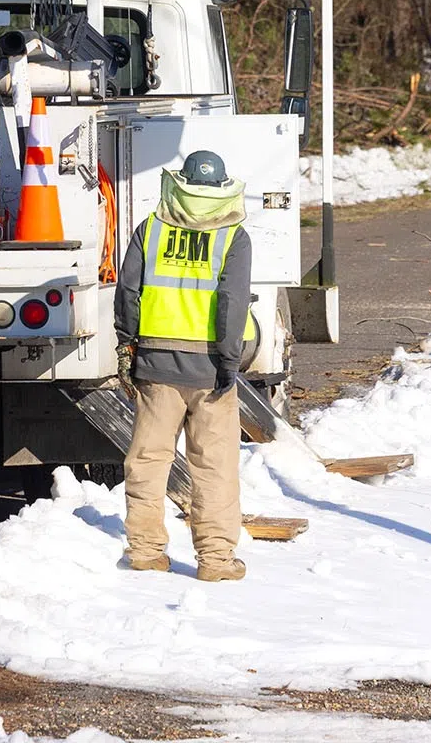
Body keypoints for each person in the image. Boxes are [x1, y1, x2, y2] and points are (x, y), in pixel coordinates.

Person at [114, 149, 251, 582]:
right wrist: (229, 363)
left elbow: (128, 292)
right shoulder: (235, 237)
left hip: (155, 365)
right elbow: (232, 304)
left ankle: (146, 552)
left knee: (147, 463)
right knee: (214, 468)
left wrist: (127, 344)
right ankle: (215, 561)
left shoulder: (151, 229)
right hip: (211, 370)